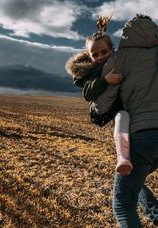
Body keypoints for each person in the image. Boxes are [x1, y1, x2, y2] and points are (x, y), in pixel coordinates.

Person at [90, 14, 158, 227]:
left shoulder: (120, 58)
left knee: (123, 202)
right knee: (135, 181)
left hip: (143, 135)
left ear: (126, 34)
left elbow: (101, 105)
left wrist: (95, 106)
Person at [66, 16, 133, 176]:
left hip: (119, 102)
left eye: (104, 52)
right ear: (89, 57)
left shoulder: (119, 62)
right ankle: (123, 157)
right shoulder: (92, 71)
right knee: (122, 117)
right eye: (95, 55)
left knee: (124, 117)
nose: (100, 57)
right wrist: (105, 81)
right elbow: (88, 94)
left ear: (112, 50)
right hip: (102, 110)